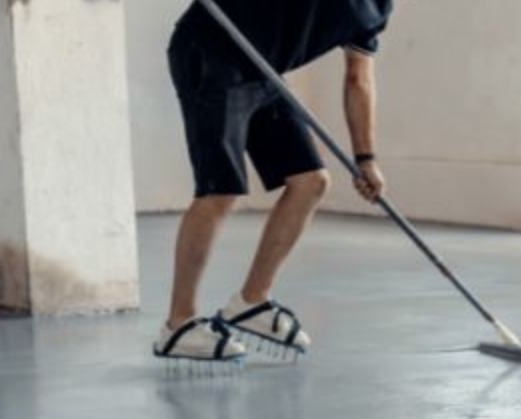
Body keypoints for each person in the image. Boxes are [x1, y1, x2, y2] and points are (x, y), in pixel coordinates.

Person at [154, 0, 396, 363]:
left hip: (261, 68)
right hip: (211, 48)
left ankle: (250, 303)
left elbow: (358, 77)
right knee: (219, 189)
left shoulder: (378, 9)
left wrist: (366, 159)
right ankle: (178, 325)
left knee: (310, 181)